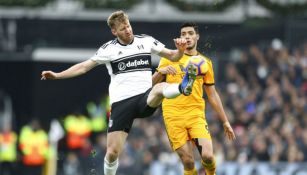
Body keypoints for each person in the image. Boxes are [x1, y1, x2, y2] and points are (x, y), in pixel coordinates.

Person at [41, 10, 197, 175]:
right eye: (123, 29)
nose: (128, 30)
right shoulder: (109, 49)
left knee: (160, 88)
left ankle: (183, 87)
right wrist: (57, 75)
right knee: (112, 153)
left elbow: (173, 56)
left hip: (144, 98)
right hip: (121, 104)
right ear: (114, 31)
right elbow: (83, 67)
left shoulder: (146, 41)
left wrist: (180, 51)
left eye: (128, 26)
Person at [152, 22, 236, 175]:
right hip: (173, 115)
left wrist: (225, 121)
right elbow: (150, 85)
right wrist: (160, 72)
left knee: (208, 157)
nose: (187, 37)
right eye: (183, 34)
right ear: (179, 39)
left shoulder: (205, 63)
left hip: (195, 115)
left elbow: (212, 94)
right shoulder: (169, 58)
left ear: (197, 36)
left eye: (190, 33)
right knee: (188, 161)